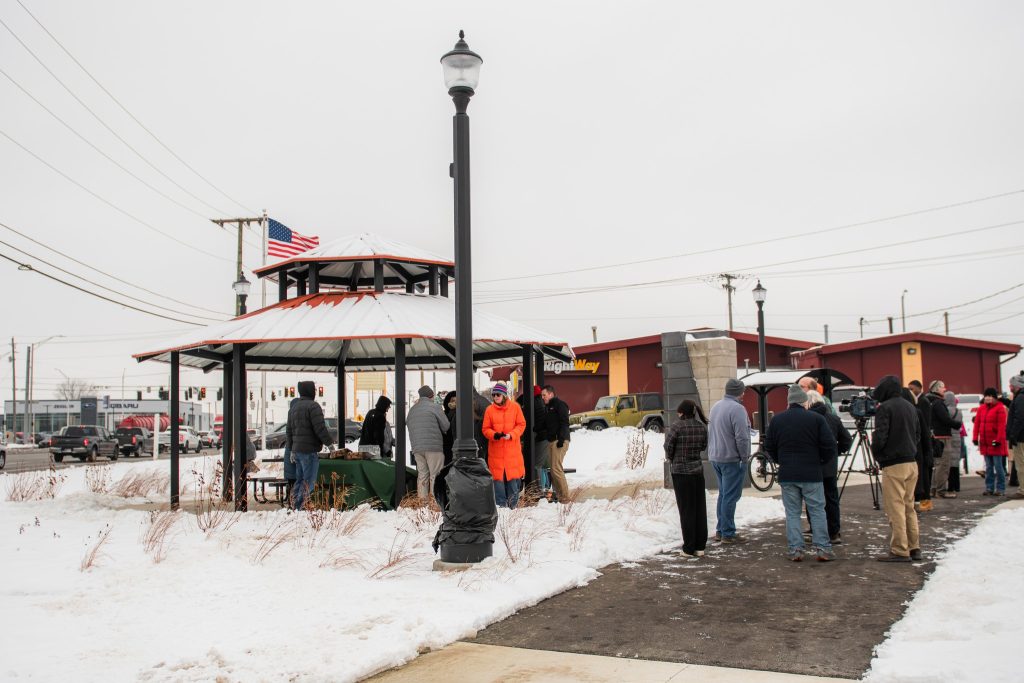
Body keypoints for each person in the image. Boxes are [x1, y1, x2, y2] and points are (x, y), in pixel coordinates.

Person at [765, 385, 837, 562]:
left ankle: (796, 549)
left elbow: (769, 447)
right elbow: (829, 446)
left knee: (792, 513)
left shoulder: (777, 420)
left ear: (789, 402)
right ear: (805, 402)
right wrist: (820, 461)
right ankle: (823, 548)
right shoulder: (816, 419)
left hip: (788, 473)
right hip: (812, 473)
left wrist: (781, 460)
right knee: (817, 510)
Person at [871, 375, 921, 562]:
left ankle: (900, 549)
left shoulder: (885, 408)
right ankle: (914, 547)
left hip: (894, 464)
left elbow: (880, 437)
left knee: (896, 508)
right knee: (909, 507)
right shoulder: (910, 406)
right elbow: (917, 434)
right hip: (911, 462)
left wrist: (878, 455)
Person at [707, 378, 752, 544]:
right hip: (731, 459)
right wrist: (744, 457)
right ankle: (728, 533)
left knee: (724, 494)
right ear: (739, 392)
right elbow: (742, 437)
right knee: (731, 496)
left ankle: (721, 530)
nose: (744, 394)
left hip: (716, 457)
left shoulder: (716, 406)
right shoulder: (738, 409)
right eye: (743, 391)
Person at [664, 399, 709, 558]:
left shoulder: (677, 426)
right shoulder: (701, 427)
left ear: (682, 412)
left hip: (681, 473)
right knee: (699, 509)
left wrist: (672, 458)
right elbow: (703, 446)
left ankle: (688, 548)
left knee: (686, 510)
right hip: (697, 472)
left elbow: (668, 446)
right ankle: (700, 546)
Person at [806, 390, 852, 544]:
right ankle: (834, 532)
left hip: (812, 466)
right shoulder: (833, 418)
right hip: (830, 467)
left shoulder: (807, 419)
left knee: (813, 500)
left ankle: (816, 530)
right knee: (831, 499)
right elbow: (847, 440)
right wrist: (835, 452)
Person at [285, 381, 335, 510]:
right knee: (308, 483)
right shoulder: (313, 406)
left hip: (297, 451)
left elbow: (289, 431)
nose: (315, 392)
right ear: (310, 390)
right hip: (309, 451)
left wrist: (291, 450)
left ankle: (294, 506)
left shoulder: (293, 408)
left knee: (300, 480)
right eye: (314, 389)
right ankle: (300, 508)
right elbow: (320, 428)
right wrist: (329, 444)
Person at [481, 382, 526, 507]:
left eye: (498, 394)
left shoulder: (515, 407)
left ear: (504, 395)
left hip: (512, 452)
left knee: (513, 483)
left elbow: (521, 425)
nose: (495, 397)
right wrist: (494, 435)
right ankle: (501, 509)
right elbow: (485, 429)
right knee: (498, 483)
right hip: (496, 453)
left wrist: (512, 435)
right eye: (494, 395)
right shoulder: (489, 410)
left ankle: (513, 509)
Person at [407, 385, 450, 501]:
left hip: (417, 448)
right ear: (431, 395)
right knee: (435, 475)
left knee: (422, 475)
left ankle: (422, 503)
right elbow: (446, 426)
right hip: (433, 447)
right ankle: (434, 503)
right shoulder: (435, 407)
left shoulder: (412, 410)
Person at [927, 380, 961, 499]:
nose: (944, 389)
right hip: (942, 437)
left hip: (935, 437)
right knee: (943, 465)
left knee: (937, 465)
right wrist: (957, 424)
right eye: (942, 387)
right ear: (936, 389)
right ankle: (940, 491)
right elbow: (945, 419)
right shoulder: (938, 403)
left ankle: (933, 489)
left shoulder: (930, 401)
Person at [540, 385, 571, 503]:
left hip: (560, 441)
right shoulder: (548, 408)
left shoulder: (560, 405)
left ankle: (565, 498)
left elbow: (564, 422)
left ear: (551, 394)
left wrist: (561, 439)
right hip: (552, 441)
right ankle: (559, 496)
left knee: (556, 468)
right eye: (542, 395)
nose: (543, 397)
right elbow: (548, 425)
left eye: (544, 395)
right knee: (553, 470)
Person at [975, 387, 1009, 496]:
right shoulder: (981, 409)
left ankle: (1000, 488)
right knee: (989, 467)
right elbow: (977, 424)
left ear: (994, 397)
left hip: (995, 442)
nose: (988, 398)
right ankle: (989, 488)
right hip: (985, 443)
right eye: (986, 396)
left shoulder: (1000, 408)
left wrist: (997, 441)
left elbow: (1001, 427)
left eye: (990, 396)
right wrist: (975, 437)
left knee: (998, 467)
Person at [906, 381, 934, 512]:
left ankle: (924, 500)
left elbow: (925, 428)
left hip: (920, 446)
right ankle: (921, 500)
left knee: (923, 475)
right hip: (919, 446)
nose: (910, 391)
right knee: (920, 475)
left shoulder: (923, 402)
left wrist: (928, 449)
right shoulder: (916, 406)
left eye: (912, 388)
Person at [943, 392, 964, 497]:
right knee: (955, 462)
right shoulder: (958, 411)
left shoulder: (946, 410)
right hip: (957, 436)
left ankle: (951, 486)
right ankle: (957, 485)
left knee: (949, 462)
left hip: (949, 436)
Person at [1008, 375, 1024, 498]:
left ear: (1016, 386)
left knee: (1021, 464)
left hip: (1020, 437)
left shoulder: (1020, 398)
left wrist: (1013, 434)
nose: (1010, 387)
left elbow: (1019, 417)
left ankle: (1022, 490)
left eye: (1011, 385)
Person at [442, 391, 457, 465]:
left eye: (456, 401)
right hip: (446, 446)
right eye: (452, 400)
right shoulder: (443, 414)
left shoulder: (461, 413)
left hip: (456, 445)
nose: (454, 403)